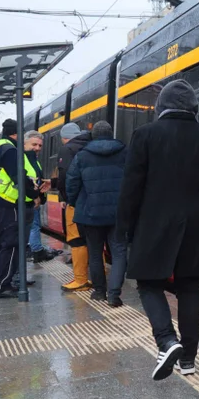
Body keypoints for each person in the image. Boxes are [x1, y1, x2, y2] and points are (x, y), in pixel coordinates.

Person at [118, 80, 199, 380]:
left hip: (154, 225)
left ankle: (166, 340)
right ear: (194, 108)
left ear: (160, 107)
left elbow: (131, 188)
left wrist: (124, 227)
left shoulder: (145, 135)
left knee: (148, 284)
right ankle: (188, 359)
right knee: (189, 288)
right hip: (198, 226)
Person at [0, 119, 40, 299]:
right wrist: (34, 194)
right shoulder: (10, 150)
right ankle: (3, 285)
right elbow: (19, 176)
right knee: (11, 245)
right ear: (16, 134)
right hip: (8, 204)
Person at [66, 121, 127, 308]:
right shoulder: (125, 152)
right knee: (119, 253)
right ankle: (114, 294)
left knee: (95, 252)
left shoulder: (82, 156)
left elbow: (72, 183)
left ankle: (100, 292)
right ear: (111, 133)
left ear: (93, 135)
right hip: (119, 212)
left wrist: (75, 202)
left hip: (90, 213)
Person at [56, 122, 92, 291]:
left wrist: (65, 197)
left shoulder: (67, 148)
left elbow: (65, 176)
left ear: (65, 137)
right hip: (92, 201)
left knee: (76, 239)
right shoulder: (91, 145)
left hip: (76, 202)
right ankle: (100, 278)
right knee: (94, 239)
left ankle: (80, 280)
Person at [24, 131, 57, 263]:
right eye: (34, 144)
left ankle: (37, 250)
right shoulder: (21, 158)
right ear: (24, 143)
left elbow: (35, 178)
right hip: (26, 202)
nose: (37, 148)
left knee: (34, 226)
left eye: (40, 145)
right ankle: (36, 251)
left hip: (33, 201)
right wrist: (33, 196)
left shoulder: (34, 160)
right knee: (32, 227)